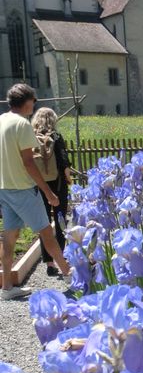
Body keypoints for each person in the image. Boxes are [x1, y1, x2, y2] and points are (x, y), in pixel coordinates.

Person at [0, 83, 70, 300]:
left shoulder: (1, 120)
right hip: (22, 188)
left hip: (5, 188)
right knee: (47, 232)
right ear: (28, 101)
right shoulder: (22, 124)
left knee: (9, 237)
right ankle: (70, 275)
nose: (34, 105)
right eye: (33, 101)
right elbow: (29, 163)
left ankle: (7, 287)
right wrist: (48, 192)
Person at [32, 107, 72, 276]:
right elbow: (64, 161)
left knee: (44, 224)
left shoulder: (31, 137)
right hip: (58, 185)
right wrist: (69, 179)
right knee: (60, 220)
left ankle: (49, 263)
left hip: (39, 185)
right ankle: (62, 257)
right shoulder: (56, 136)